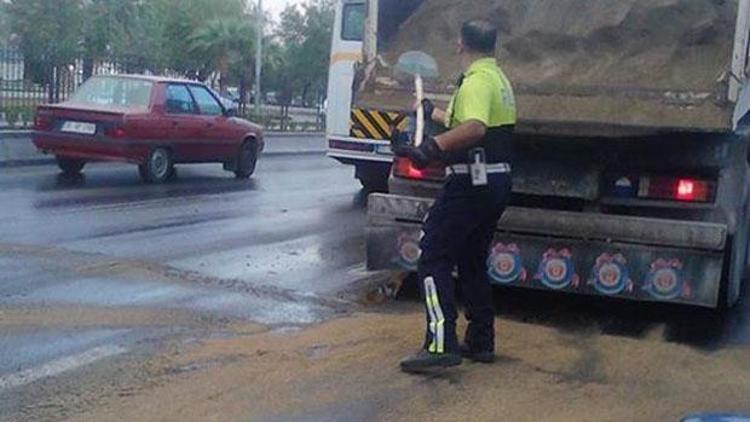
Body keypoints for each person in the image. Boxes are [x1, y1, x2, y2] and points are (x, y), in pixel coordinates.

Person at [391, 18, 516, 373]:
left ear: (461, 44)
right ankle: (480, 340)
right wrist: (436, 113)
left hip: (469, 184)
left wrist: (431, 147)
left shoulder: (477, 81)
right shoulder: (497, 79)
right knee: (472, 259)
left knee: (432, 256)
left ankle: (439, 343)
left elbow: (475, 128)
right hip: (494, 183)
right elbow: (474, 121)